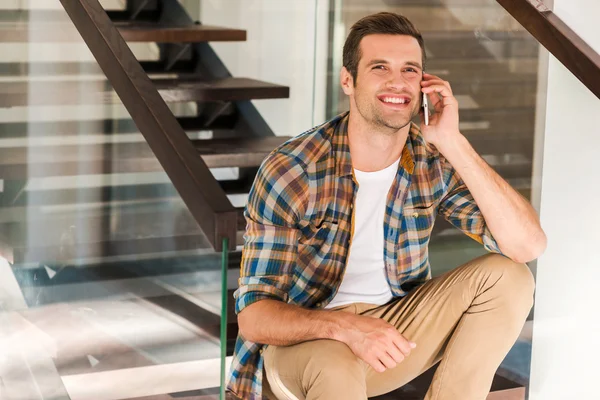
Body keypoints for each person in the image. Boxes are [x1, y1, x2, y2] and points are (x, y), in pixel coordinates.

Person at [226, 11, 546, 400]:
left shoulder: (430, 160)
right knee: (334, 363)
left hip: (393, 334)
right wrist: (346, 328)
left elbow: (527, 246)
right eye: (380, 67)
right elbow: (255, 317)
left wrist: (454, 142)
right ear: (348, 80)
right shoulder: (294, 170)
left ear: (425, 84)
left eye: (410, 70)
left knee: (511, 278)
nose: (397, 82)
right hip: (303, 346)